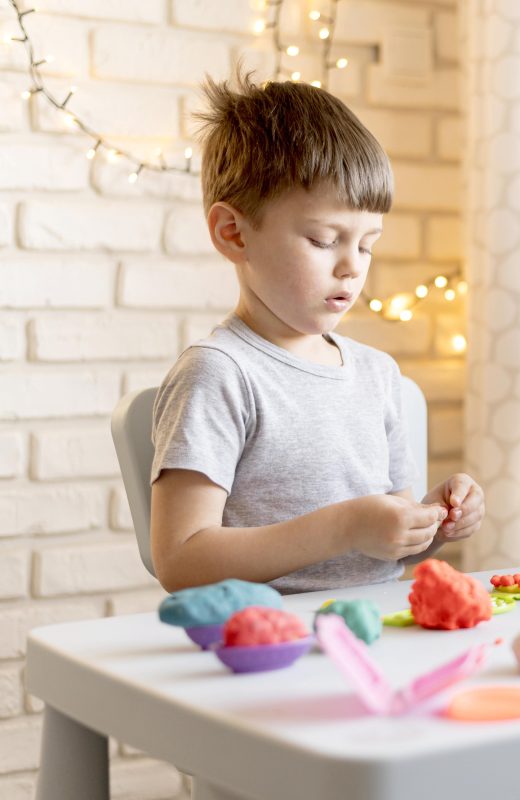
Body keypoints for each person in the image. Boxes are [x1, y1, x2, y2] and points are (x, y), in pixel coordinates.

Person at [149, 69, 484, 593]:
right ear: (233, 233)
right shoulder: (220, 374)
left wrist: (431, 522)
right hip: (264, 644)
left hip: (379, 629)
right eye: (325, 240)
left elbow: (382, 538)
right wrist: (344, 527)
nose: (353, 266)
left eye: (367, 244)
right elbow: (181, 561)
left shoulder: (377, 373)